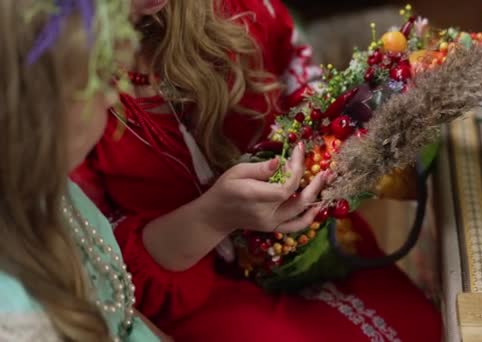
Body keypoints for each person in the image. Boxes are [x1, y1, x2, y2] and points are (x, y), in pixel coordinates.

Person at [72, 0, 442, 340]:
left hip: (313, 242)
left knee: (423, 326)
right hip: (187, 288)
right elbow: (101, 268)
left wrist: (336, 137)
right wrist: (212, 218)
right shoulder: (63, 100)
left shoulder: (243, 12)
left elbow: (305, 90)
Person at [0, 0, 167, 340]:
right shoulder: (18, 320)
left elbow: (123, 312)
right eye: (100, 79)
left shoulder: (54, 189)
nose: (112, 97)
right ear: (33, 114)